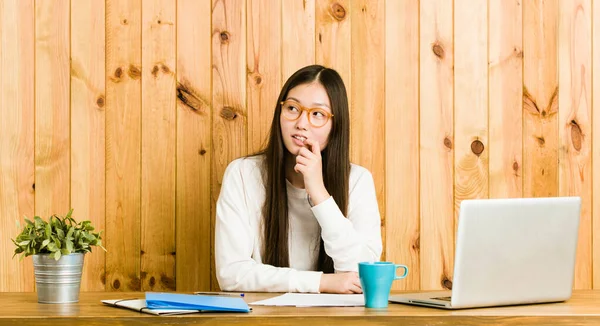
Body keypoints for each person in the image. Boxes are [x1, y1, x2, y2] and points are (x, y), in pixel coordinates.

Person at [215, 65, 382, 294]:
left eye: (317, 114)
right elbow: (231, 274)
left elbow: (361, 274)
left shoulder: (357, 180)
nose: (301, 123)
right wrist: (320, 282)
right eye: (292, 108)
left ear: (336, 126)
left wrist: (319, 194)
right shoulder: (242, 174)